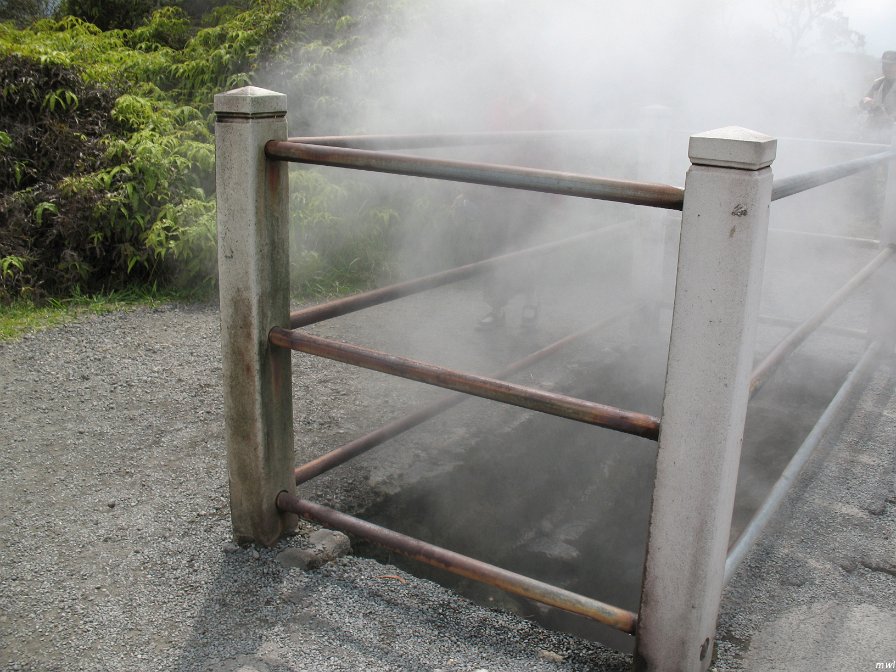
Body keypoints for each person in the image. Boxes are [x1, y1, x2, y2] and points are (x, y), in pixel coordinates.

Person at [859, 51, 896, 139]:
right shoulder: (878, 83)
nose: (887, 68)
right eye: (885, 65)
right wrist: (868, 102)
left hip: (892, 136)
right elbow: (863, 100)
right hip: (873, 132)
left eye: (891, 65)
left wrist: (887, 115)